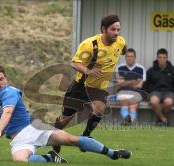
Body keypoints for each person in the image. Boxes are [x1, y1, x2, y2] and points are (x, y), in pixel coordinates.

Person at [0, 66, 131, 163]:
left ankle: (112, 153)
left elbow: (8, 112)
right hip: (20, 139)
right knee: (21, 161)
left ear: (6, 78)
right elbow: (7, 120)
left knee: (72, 140)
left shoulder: (10, 92)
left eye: (1, 79)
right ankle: (50, 158)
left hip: (33, 128)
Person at [53, 14, 127, 152]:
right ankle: (52, 137)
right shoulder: (90, 45)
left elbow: (123, 49)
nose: (116, 33)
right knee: (65, 119)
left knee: (100, 109)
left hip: (98, 89)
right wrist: (88, 71)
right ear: (104, 29)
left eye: (118, 30)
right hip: (81, 87)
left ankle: (86, 136)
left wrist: (124, 51)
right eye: (113, 29)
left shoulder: (120, 41)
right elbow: (75, 63)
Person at [143, 48, 174, 125]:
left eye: (164, 57)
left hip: (169, 92)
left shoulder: (172, 70)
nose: (162, 59)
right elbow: (145, 85)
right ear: (157, 58)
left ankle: (159, 119)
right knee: (153, 101)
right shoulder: (151, 70)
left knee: (168, 102)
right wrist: (147, 95)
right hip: (156, 92)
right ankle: (164, 119)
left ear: (166, 58)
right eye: (160, 57)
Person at [116, 48, 146, 124]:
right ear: (125, 57)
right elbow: (120, 84)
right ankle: (128, 120)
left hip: (136, 91)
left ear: (134, 57)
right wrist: (134, 81)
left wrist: (125, 82)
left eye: (131, 56)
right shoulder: (120, 68)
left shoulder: (140, 69)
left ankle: (129, 121)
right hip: (123, 91)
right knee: (124, 100)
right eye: (128, 56)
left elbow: (140, 85)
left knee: (133, 104)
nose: (129, 58)